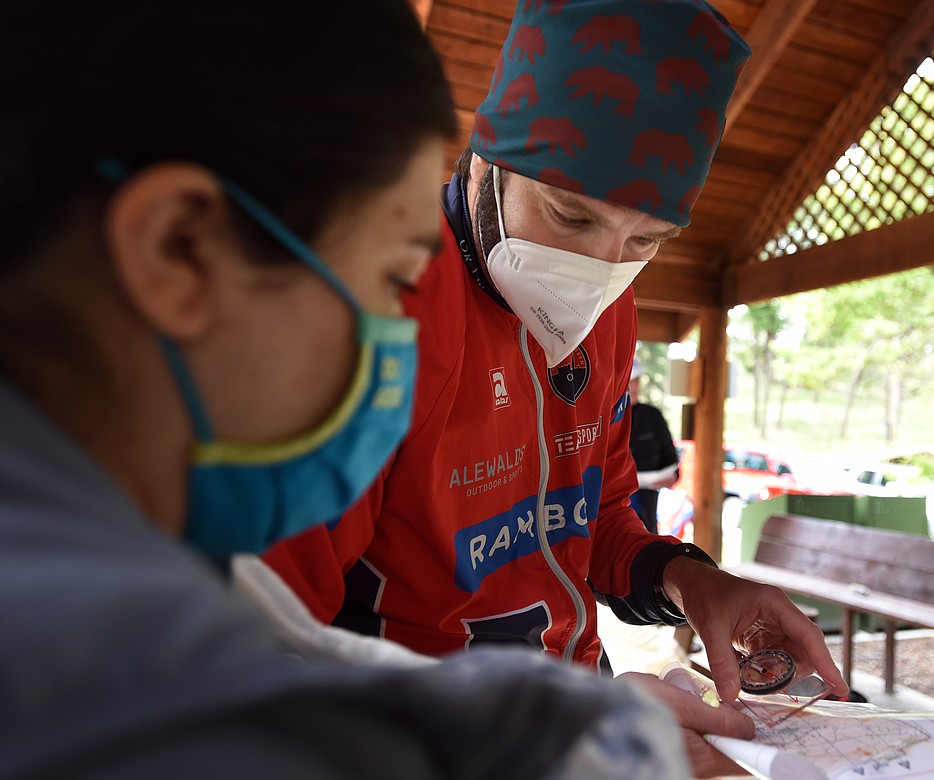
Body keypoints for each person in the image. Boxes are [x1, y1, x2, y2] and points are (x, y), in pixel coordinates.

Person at [0, 1, 693, 777]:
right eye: (395, 277)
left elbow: (275, 647)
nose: (403, 327)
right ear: (179, 250)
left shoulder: (108, 560)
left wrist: (659, 621)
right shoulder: (115, 679)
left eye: (643, 244)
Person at [266, 0, 847, 734]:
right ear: (486, 161)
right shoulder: (376, 308)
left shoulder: (612, 309)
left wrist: (691, 581)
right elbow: (262, 651)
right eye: (570, 217)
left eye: (648, 242)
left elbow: (594, 517)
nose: (597, 272)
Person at [628, 356, 681, 533]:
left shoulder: (653, 416)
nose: (632, 388)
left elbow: (670, 456)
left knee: (646, 537)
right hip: (612, 498)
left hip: (648, 499)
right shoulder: (606, 417)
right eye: (628, 382)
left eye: (636, 382)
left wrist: (673, 476)